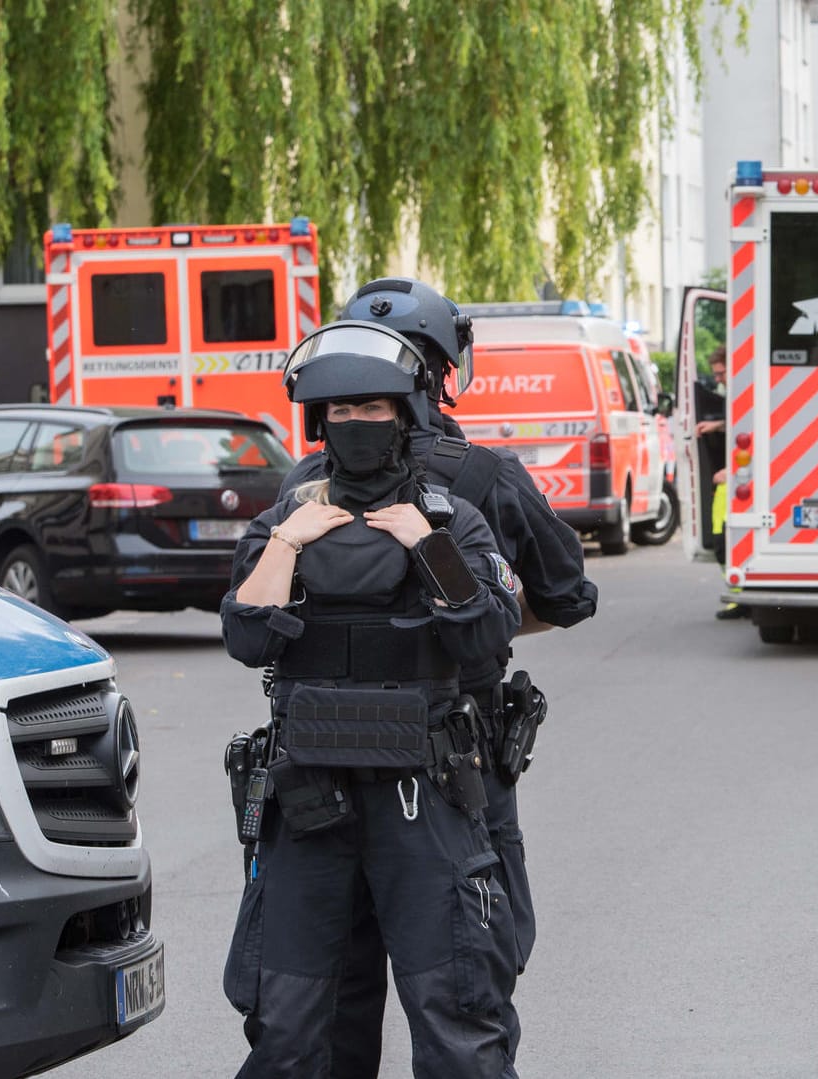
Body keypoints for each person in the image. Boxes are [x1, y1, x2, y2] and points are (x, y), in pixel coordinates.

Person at [265, 278, 598, 1078]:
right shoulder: (484, 476)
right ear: (444, 368)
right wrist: (456, 629)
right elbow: (566, 598)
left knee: (324, 996)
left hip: (322, 767)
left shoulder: (300, 484)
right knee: (464, 981)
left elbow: (264, 617)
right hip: (456, 765)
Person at [221, 320, 523, 1077]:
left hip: (422, 793)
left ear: (407, 413)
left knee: (458, 1012)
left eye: (373, 409)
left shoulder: (452, 517)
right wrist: (290, 543)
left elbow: (486, 632)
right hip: (310, 796)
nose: (356, 425)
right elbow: (247, 634)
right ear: (319, 421)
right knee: (290, 1025)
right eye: (340, 412)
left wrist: (427, 545)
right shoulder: (285, 519)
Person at [694, 348, 744, 620]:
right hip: (729, 482)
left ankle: (739, 598)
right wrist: (718, 426)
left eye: (721, 373)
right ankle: (738, 596)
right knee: (721, 540)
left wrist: (731, 470)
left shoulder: (744, 390)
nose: (719, 380)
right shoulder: (735, 393)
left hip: (732, 481)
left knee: (724, 541)